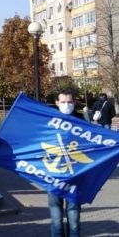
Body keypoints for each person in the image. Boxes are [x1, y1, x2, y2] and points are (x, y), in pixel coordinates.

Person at [48, 90, 85, 237]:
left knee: (74, 217)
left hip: (75, 176)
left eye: (69, 102)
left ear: (74, 102)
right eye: (63, 102)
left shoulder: (81, 120)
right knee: (56, 219)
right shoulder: (49, 120)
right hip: (53, 176)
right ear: (57, 103)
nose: (67, 105)